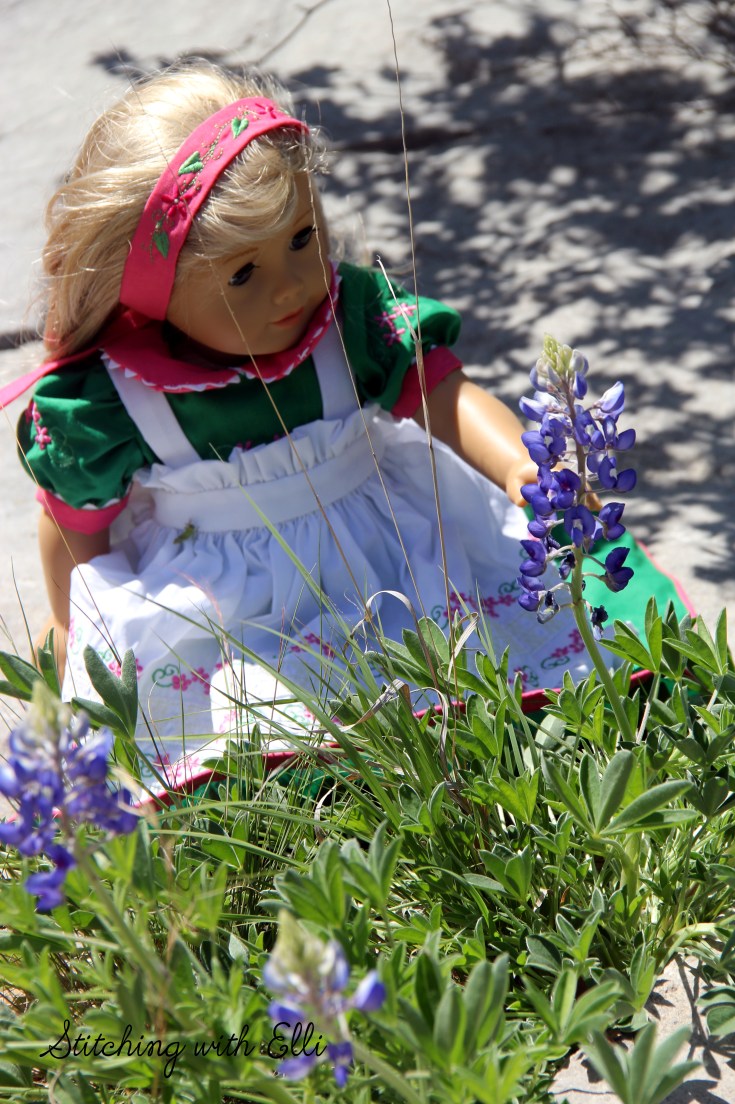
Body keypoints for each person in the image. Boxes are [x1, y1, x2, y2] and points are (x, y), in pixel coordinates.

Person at [4, 61, 602, 791]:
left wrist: (519, 465)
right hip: (228, 606)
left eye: (302, 235)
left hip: (386, 554)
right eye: (242, 274)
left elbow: (440, 389)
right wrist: (72, 626)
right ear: (151, 290)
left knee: (471, 684)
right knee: (253, 746)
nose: (291, 284)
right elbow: (72, 523)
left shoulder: (348, 319)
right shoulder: (113, 399)